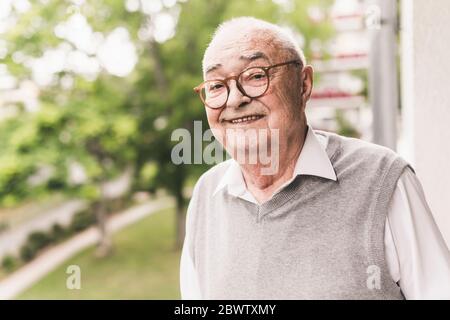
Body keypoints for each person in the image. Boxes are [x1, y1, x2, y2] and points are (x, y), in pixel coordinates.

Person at [180, 17, 450, 299]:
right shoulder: (205, 197)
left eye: (256, 75)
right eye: (216, 85)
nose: (234, 99)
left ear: (303, 84)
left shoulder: (383, 181)